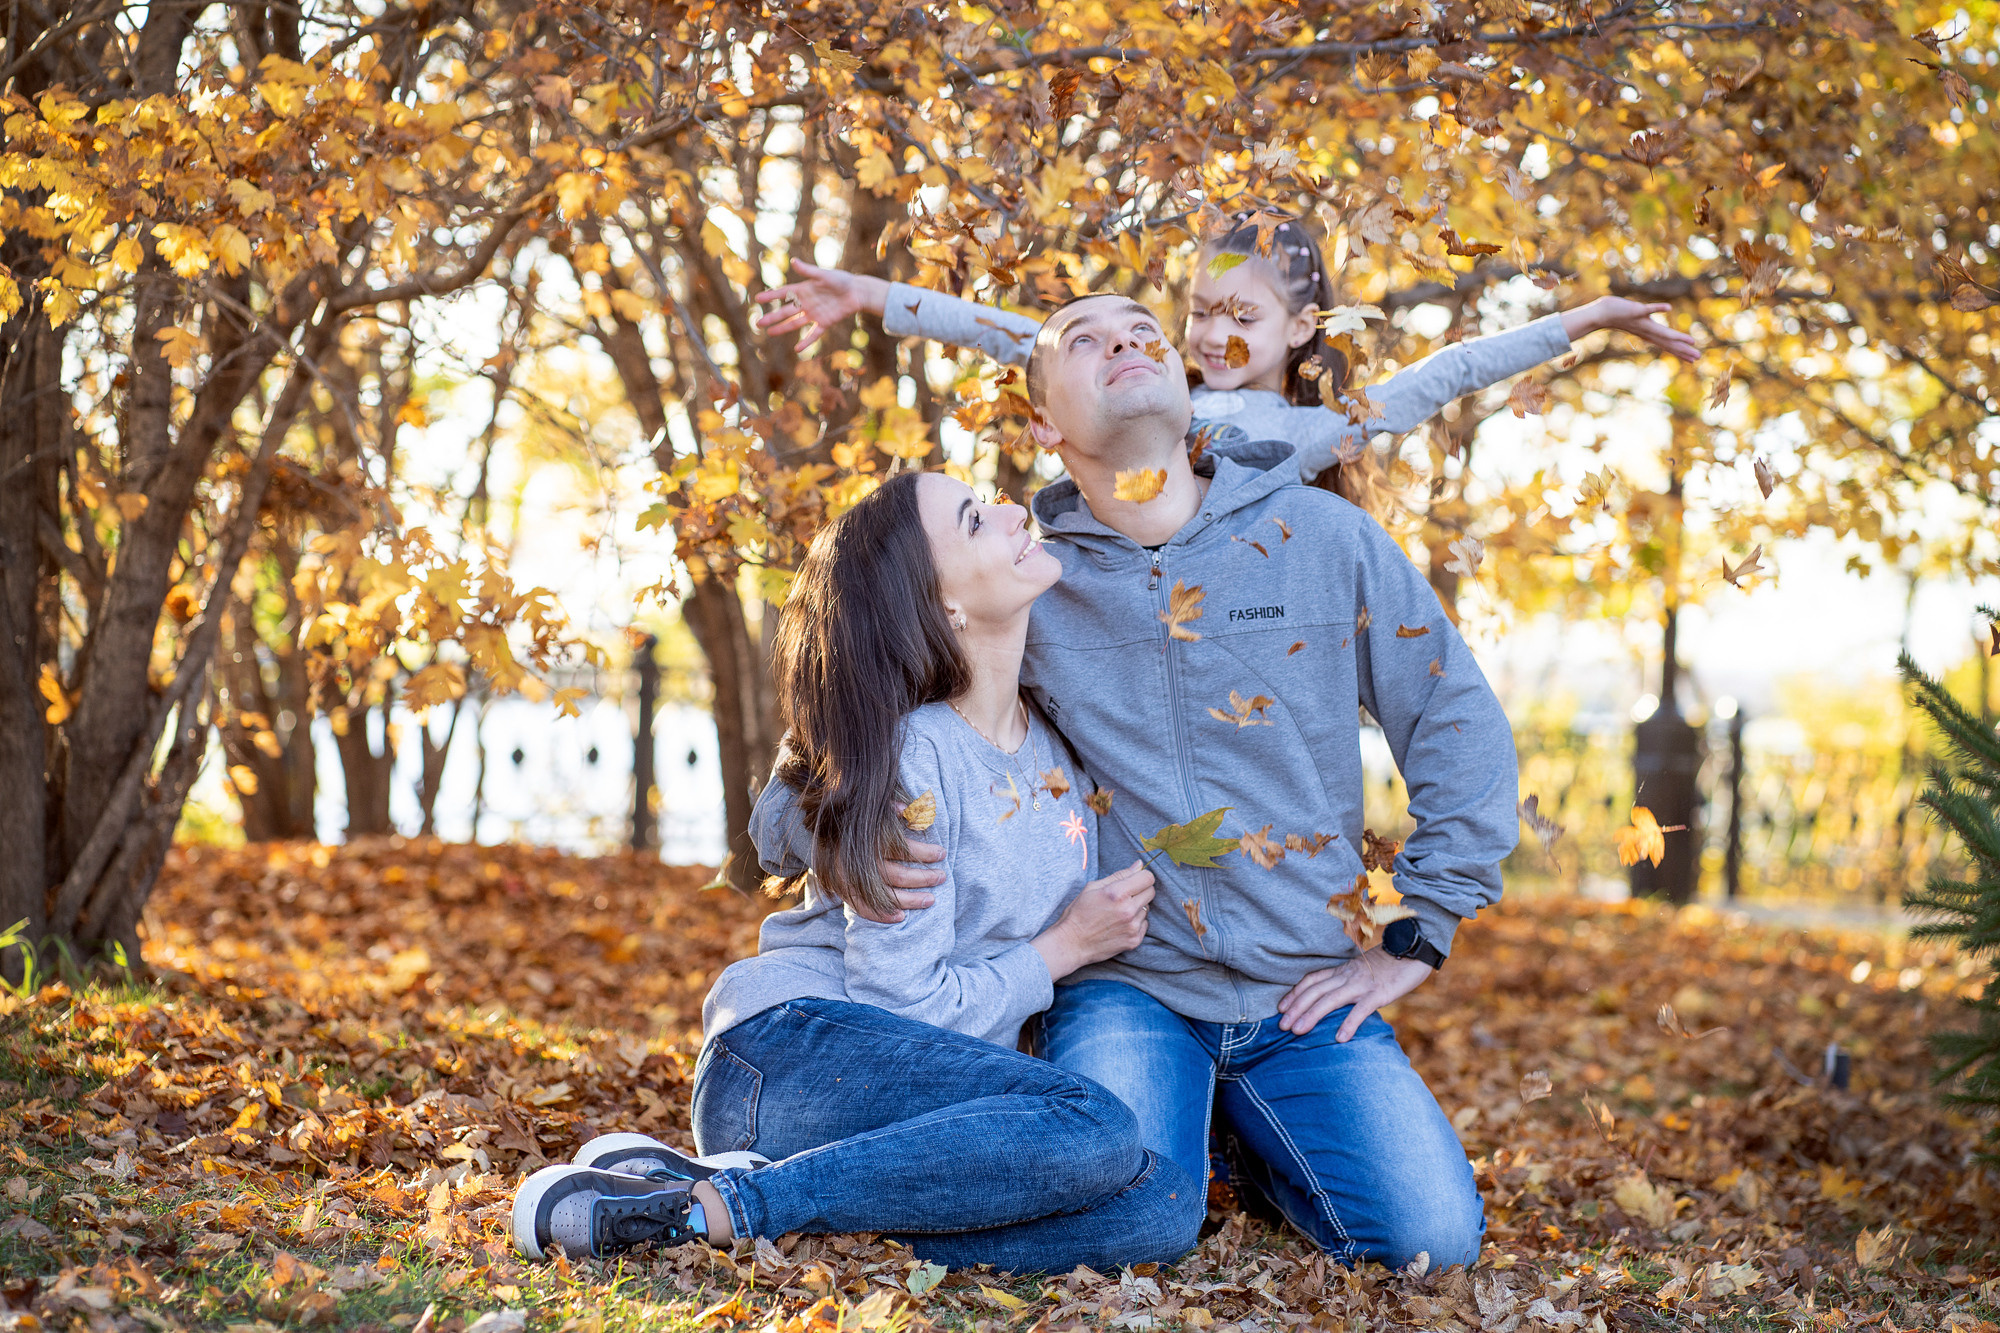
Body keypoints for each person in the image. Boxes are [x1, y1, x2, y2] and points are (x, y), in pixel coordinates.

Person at [752, 283, 1696, 1269]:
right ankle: (1189, 1136)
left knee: (1428, 1243)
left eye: (1142, 332)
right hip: (1125, 983)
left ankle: (1243, 1140)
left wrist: (1419, 932)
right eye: (1084, 340)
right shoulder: (1025, 573)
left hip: (1303, 984)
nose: (1123, 343)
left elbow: (1453, 719)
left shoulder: (1320, 541)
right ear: (1043, 422)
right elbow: (860, 690)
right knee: (1131, 1215)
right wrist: (823, 826)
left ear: (1184, 384)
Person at [512, 470, 1204, 1271]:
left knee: (1166, 1203)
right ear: (944, 604)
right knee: (1097, 1124)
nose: (1017, 510)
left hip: (896, 1114)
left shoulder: (1053, 739)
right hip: (790, 1056)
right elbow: (900, 1003)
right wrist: (1063, 948)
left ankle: (747, 1205)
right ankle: (737, 1205)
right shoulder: (917, 755)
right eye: (978, 520)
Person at [756, 213, 1699, 518]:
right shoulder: (1154, 377)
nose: (1209, 334)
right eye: (1200, 311)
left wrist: (1585, 319)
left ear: (1302, 329)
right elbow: (1020, 332)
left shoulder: (1312, 432)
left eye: (1241, 315)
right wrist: (874, 297)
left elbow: (1451, 369)